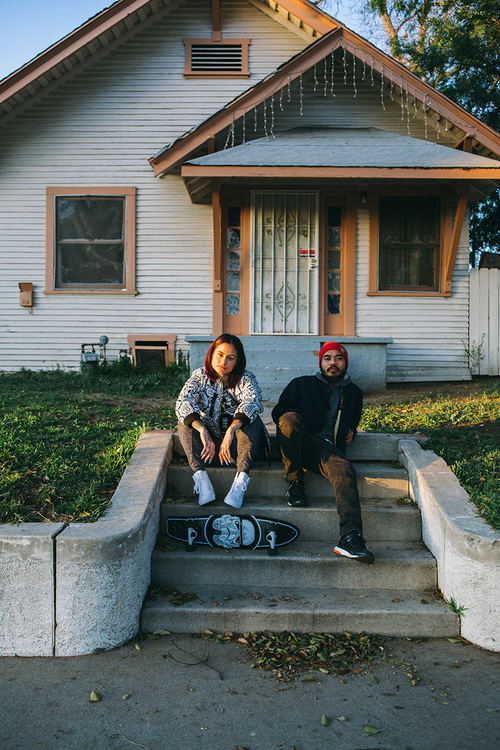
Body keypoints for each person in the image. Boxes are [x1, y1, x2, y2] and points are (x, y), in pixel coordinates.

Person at [272, 342, 374, 564]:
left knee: (345, 469)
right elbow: (279, 413)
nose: (333, 363)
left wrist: (352, 430)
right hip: (299, 440)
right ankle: (295, 483)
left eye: (338, 358)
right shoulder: (301, 384)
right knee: (289, 419)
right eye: (327, 358)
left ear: (345, 363)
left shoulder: (354, 393)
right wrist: (300, 420)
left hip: (327, 450)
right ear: (321, 362)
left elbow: (352, 421)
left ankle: (350, 537)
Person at [176, 334, 264, 508]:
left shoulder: (246, 379)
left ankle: (240, 483)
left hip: (237, 450)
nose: (223, 362)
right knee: (185, 419)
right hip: (208, 450)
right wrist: (202, 429)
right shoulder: (199, 376)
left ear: (237, 361)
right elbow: (183, 401)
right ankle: (202, 481)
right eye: (220, 355)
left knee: (252, 418)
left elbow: (252, 402)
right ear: (211, 354)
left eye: (231, 358)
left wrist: (232, 430)